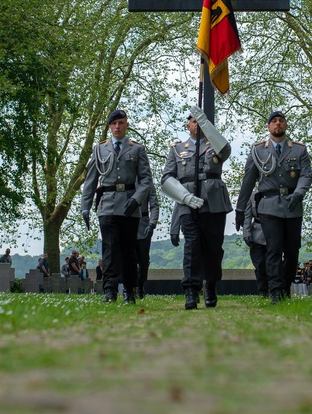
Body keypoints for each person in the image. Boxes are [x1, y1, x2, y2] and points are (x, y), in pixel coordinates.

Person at [235, 110, 312, 304]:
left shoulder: (299, 150)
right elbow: (248, 182)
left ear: (285, 126)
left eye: (281, 121)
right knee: (273, 249)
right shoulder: (257, 150)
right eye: (274, 121)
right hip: (268, 206)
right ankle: (276, 291)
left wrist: (299, 193)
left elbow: (306, 175)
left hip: (293, 205)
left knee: (293, 250)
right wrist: (239, 209)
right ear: (268, 127)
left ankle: (285, 287)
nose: (278, 124)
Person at [161, 105, 232, 310]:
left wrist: (207, 124)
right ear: (187, 125)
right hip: (187, 203)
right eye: (194, 121)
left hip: (213, 203)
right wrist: (184, 196)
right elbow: (167, 178)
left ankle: (210, 284)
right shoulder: (177, 148)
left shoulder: (215, 143)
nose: (197, 124)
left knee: (213, 248)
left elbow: (226, 151)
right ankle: (191, 290)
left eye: (199, 121)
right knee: (191, 247)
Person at [81, 109, 154, 304]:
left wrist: (137, 199)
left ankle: (129, 290)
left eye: (120, 123)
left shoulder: (137, 149)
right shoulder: (100, 149)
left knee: (129, 250)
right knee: (110, 249)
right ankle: (110, 290)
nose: (117, 127)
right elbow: (91, 180)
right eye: (113, 124)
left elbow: (146, 180)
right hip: (107, 204)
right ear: (109, 126)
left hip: (130, 205)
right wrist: (85, 207)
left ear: (126, 124)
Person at [131, 185, 160, 299]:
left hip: (144, 224)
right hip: (128, 223)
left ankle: (140, 286)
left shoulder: (148, 185)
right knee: (129, 258)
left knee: (143, 260)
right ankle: (130, 286)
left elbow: (154, 206)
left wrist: (152, 223)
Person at [241, 193, 268, 297]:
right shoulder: (252, 196)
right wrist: (246, 233)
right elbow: (247, 216)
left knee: (272, 265)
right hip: (257, 236)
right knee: (260, 265)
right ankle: (263, 290)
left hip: (273, 234)